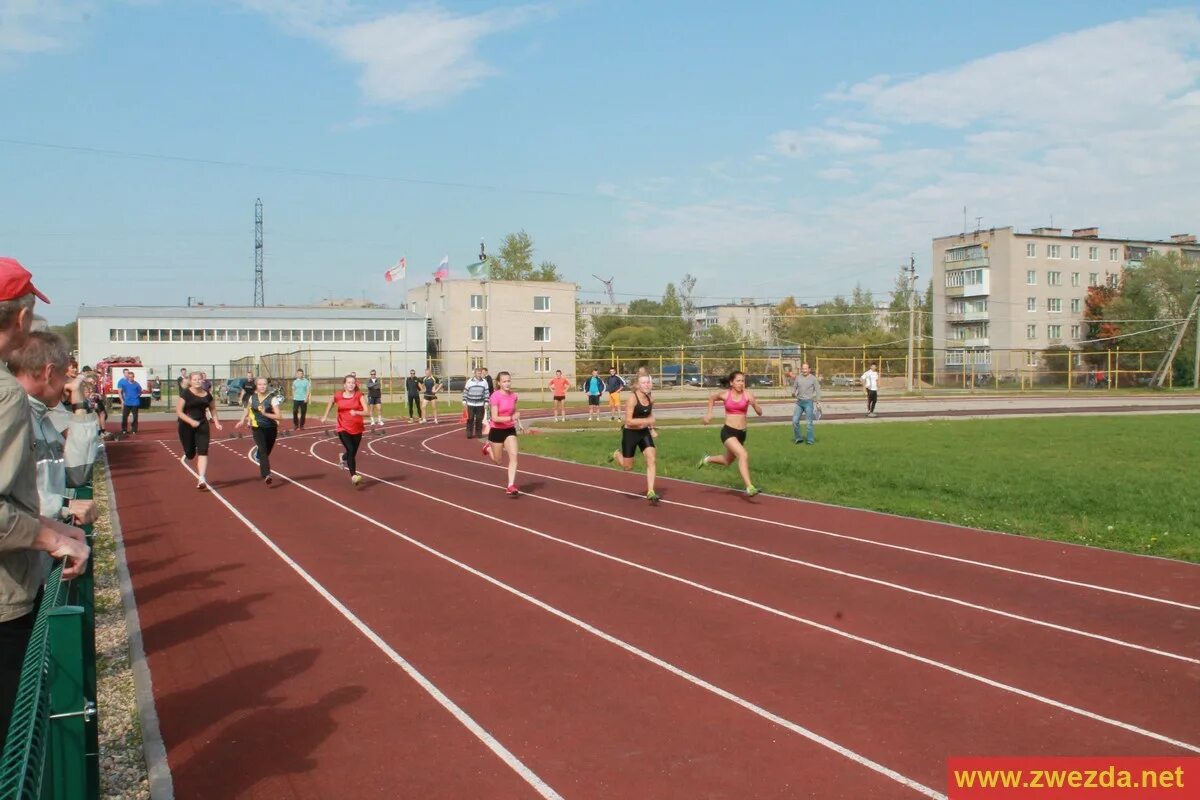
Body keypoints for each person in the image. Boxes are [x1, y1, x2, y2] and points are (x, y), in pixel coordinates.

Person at [0, 258, 90, 751]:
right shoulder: (7, 398)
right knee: (19, 740)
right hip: (6, 595)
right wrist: (51, 533)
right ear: (19, 317)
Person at [699, 370, 763, 497]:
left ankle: (707, 459)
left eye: (743, 381)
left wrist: (754, 404)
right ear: (731, 383)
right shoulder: (725, 395)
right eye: (738, 381)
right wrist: (709, 414)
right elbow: (712, 398)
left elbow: (760, 412)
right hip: (728, 432)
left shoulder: (748, 395)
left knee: (727, 461)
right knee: (743, 455)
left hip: (742, 434)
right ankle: (749, 487)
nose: (741, 383)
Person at [609, 373, 659, 503]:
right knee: (628, 467)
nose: (647, 385)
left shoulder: (650, 399)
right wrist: (648, 421)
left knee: (652, 458)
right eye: (644, 383)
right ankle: (616, 454)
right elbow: (629, 421)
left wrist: (651, 428)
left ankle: (651, 491)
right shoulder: (632, 399)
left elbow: (648, 413)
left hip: (643, 433)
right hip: (630, 433)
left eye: (648, 382)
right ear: (637, 385)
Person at [175, 371, 222, 490]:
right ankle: (189, 451)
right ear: (190, 381)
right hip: (186, 425)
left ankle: (202, 478)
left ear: (203, 380)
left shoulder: (207, 395)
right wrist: (191, 422)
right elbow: (179, 412)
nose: (197, 381)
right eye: (194, 379)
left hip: (202, 424)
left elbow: (213, 409)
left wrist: (216, 422)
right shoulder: (186, 394)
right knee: (190, 454)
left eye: (199, 379)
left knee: (203, 450)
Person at [321, 374, 367, 487]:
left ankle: (343, 457)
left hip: (357, 428)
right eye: (349, 382)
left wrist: (356, 412)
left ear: (355, 384)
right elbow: (330, 402)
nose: (351, 384)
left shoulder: (359, 395)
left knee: (352, 452)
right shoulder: (338, 395)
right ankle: (354, 476)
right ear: (344, 384)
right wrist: (325, 416)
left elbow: (367, 412)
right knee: (351, 449)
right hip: (343, 427)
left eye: (353, 382)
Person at [481, 371, 522, 495]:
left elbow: (513, 412)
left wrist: (518, 422)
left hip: (509, 430)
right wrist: (511, 418)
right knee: (498, 461)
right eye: (504, 381)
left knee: (514, 456)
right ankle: (488, 449)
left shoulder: (514, 396)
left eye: (509, 380)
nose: (507, 383)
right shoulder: (495, 396)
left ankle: (510, 485)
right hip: (497, 430)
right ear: (499, 383)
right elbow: (495, 418)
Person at [236, 377, 282, 485]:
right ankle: (267, 474)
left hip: (271, 428)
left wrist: (266, 414)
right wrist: (242, 420)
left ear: (267, 386)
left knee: (266, 451)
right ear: (256, 386)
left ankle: (259, 457)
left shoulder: (272, 398)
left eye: (264, 384)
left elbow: (279, 416)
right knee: (263, 450)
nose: (262, 386)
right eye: (260, 384)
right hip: (257, 427)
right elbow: (248, 409)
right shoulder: (252, 398)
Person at [791, 362, 822, 445]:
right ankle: (798, 438)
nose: (804, 370)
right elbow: (794, 386)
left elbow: (818, 390)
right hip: (799, 403)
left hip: (808, 402)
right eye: (803, 368)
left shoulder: (813, 379)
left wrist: (818, 401)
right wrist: (793, 392)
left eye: (806, 369)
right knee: (795, 421)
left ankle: (810, 440)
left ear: (809, 370)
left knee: (809, 423)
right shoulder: (798, 378)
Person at [462, 368, 489, 439]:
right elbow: (465, 391)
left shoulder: (484, 382)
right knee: (470, 418)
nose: (479, 374)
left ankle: (478, 433)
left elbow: (486, 392)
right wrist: (464, 400)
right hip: (470, 403)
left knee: (479, 419)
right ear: (475, 374)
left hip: (480, 404)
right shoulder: (469, 381)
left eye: (480, 373)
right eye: (478, 373)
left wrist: (486, 402)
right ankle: (469, 433)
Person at [116, 368, 142, 435]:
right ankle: (124, 430)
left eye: (131, 376)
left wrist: (136, 396)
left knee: (135, 417)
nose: (130, 377)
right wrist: (122, 400)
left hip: (135, 403)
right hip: (127, 403)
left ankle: (134, 429)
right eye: (129, 376)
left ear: (133, 377)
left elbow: (140, 392)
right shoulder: (124, 383)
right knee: (124, 416)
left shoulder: (137, 384)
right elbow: (122, 392)